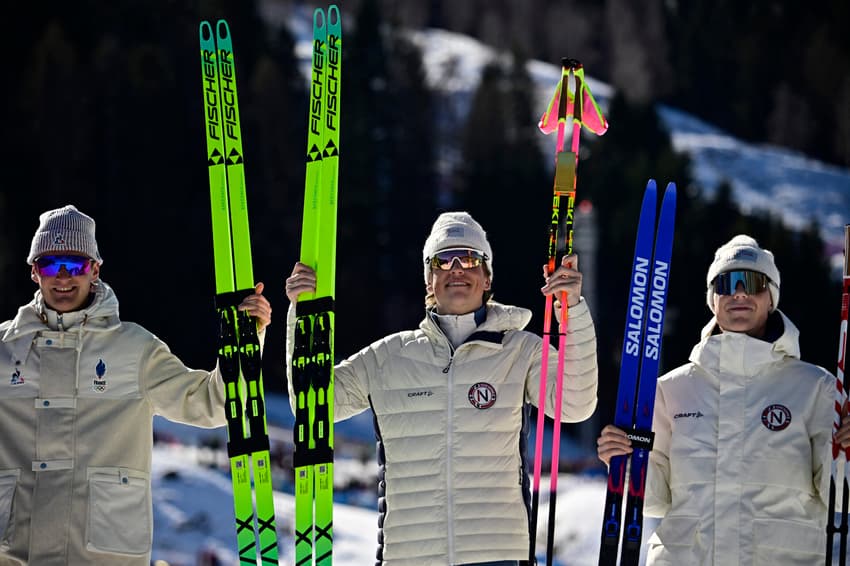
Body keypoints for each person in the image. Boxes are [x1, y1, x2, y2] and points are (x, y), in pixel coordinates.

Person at [285, 211, 599, 566]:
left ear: (486, 276)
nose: (456, 269)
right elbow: (313, 408)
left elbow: (575, 405)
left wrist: (571, 309)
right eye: (443, 260)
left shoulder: (520, 351)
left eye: (468, 258)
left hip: (495, 555)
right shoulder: (390, 356)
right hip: (409, 557)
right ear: (428, 280)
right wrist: (303, 314)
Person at [0, 205, 271, 565]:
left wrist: (244, 344)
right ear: (35, 272)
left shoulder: (134, 349)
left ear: (94, 269)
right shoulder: (5, 348)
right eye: (50, 264)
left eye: (75, 264)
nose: (63, 277)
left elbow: (211, 403)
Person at [597, 234, 850, 565]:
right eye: (726, 283)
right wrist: (625, 461)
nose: (739, 292)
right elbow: (655, 500)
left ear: (771, 297)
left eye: (754, 282)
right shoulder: (670, 390)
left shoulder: (816, 388)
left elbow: (839, 498)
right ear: (712, 299)